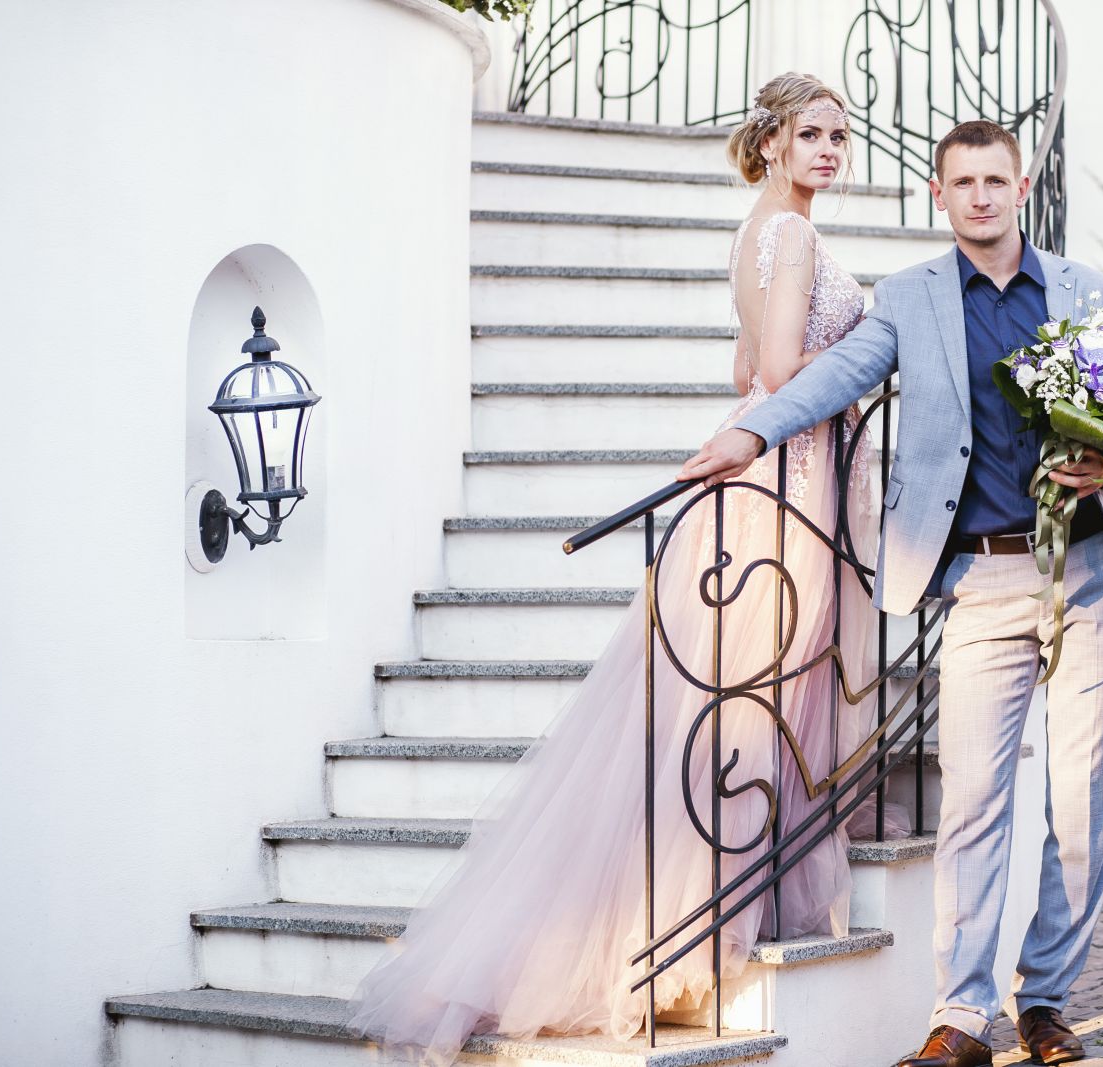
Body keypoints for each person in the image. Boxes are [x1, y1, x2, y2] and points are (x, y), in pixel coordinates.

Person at [345, 72, 905, 1065]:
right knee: (757, 688)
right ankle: (697, 919)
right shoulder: (792, 234)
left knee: (734, 692)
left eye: (840, 136)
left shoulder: (756, 230)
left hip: (769, 464)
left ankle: (708, 900)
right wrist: (863, 344)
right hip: (788, 471)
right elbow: (779, 375)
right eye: (813, 133)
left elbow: (742, 374)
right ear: (772, 142)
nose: (830, 150)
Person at [680, 118, 1103, 1067]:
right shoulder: (909, 298)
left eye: (995, 180)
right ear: (941, 195)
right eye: (962, 182)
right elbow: (837, 375)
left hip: (1090, 572)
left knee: (1080, 805)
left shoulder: (1084, 287)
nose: (980, 196)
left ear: (1021, 188)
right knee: (972, 803)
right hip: (980, 578)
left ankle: (1044, 1000)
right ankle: (962, 1017)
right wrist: (751, 433)